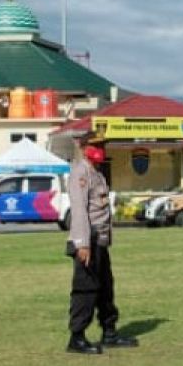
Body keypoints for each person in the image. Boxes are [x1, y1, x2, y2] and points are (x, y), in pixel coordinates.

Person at [65, 134, 138, 354]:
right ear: (83, 147)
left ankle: (109, 332)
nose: (101, 150)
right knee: (86, 289)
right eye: (96, 146)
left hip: (99, 240)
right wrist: (83, 244)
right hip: (88, 239)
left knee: (106, 288)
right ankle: (77, 338)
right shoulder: (81, 173)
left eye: (103, 145)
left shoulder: (96, 172)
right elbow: (79, 211)